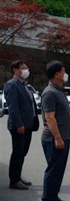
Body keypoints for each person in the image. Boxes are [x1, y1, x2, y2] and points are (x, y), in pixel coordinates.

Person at [40, 60, 70, 201]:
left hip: (63, 137)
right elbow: (50, 117)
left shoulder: (59, 90)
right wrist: (58, 138)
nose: (65, 74)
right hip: (53, 138)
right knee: (53, 170)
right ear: (57, 74)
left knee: (59, 170)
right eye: (63, 71)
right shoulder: (50, 92)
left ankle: (54, 196)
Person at [4, 60, 38, 190]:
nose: (26, 70)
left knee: (22, 152)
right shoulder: (11, 85)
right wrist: (19, 124)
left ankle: (18, 176)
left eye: (27, 67)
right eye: (23, 68)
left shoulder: (24, 84)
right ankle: (14, 180)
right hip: (19, 125)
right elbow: (13, 108)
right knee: (17, 152)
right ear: (15, 70)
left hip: (28, 125)